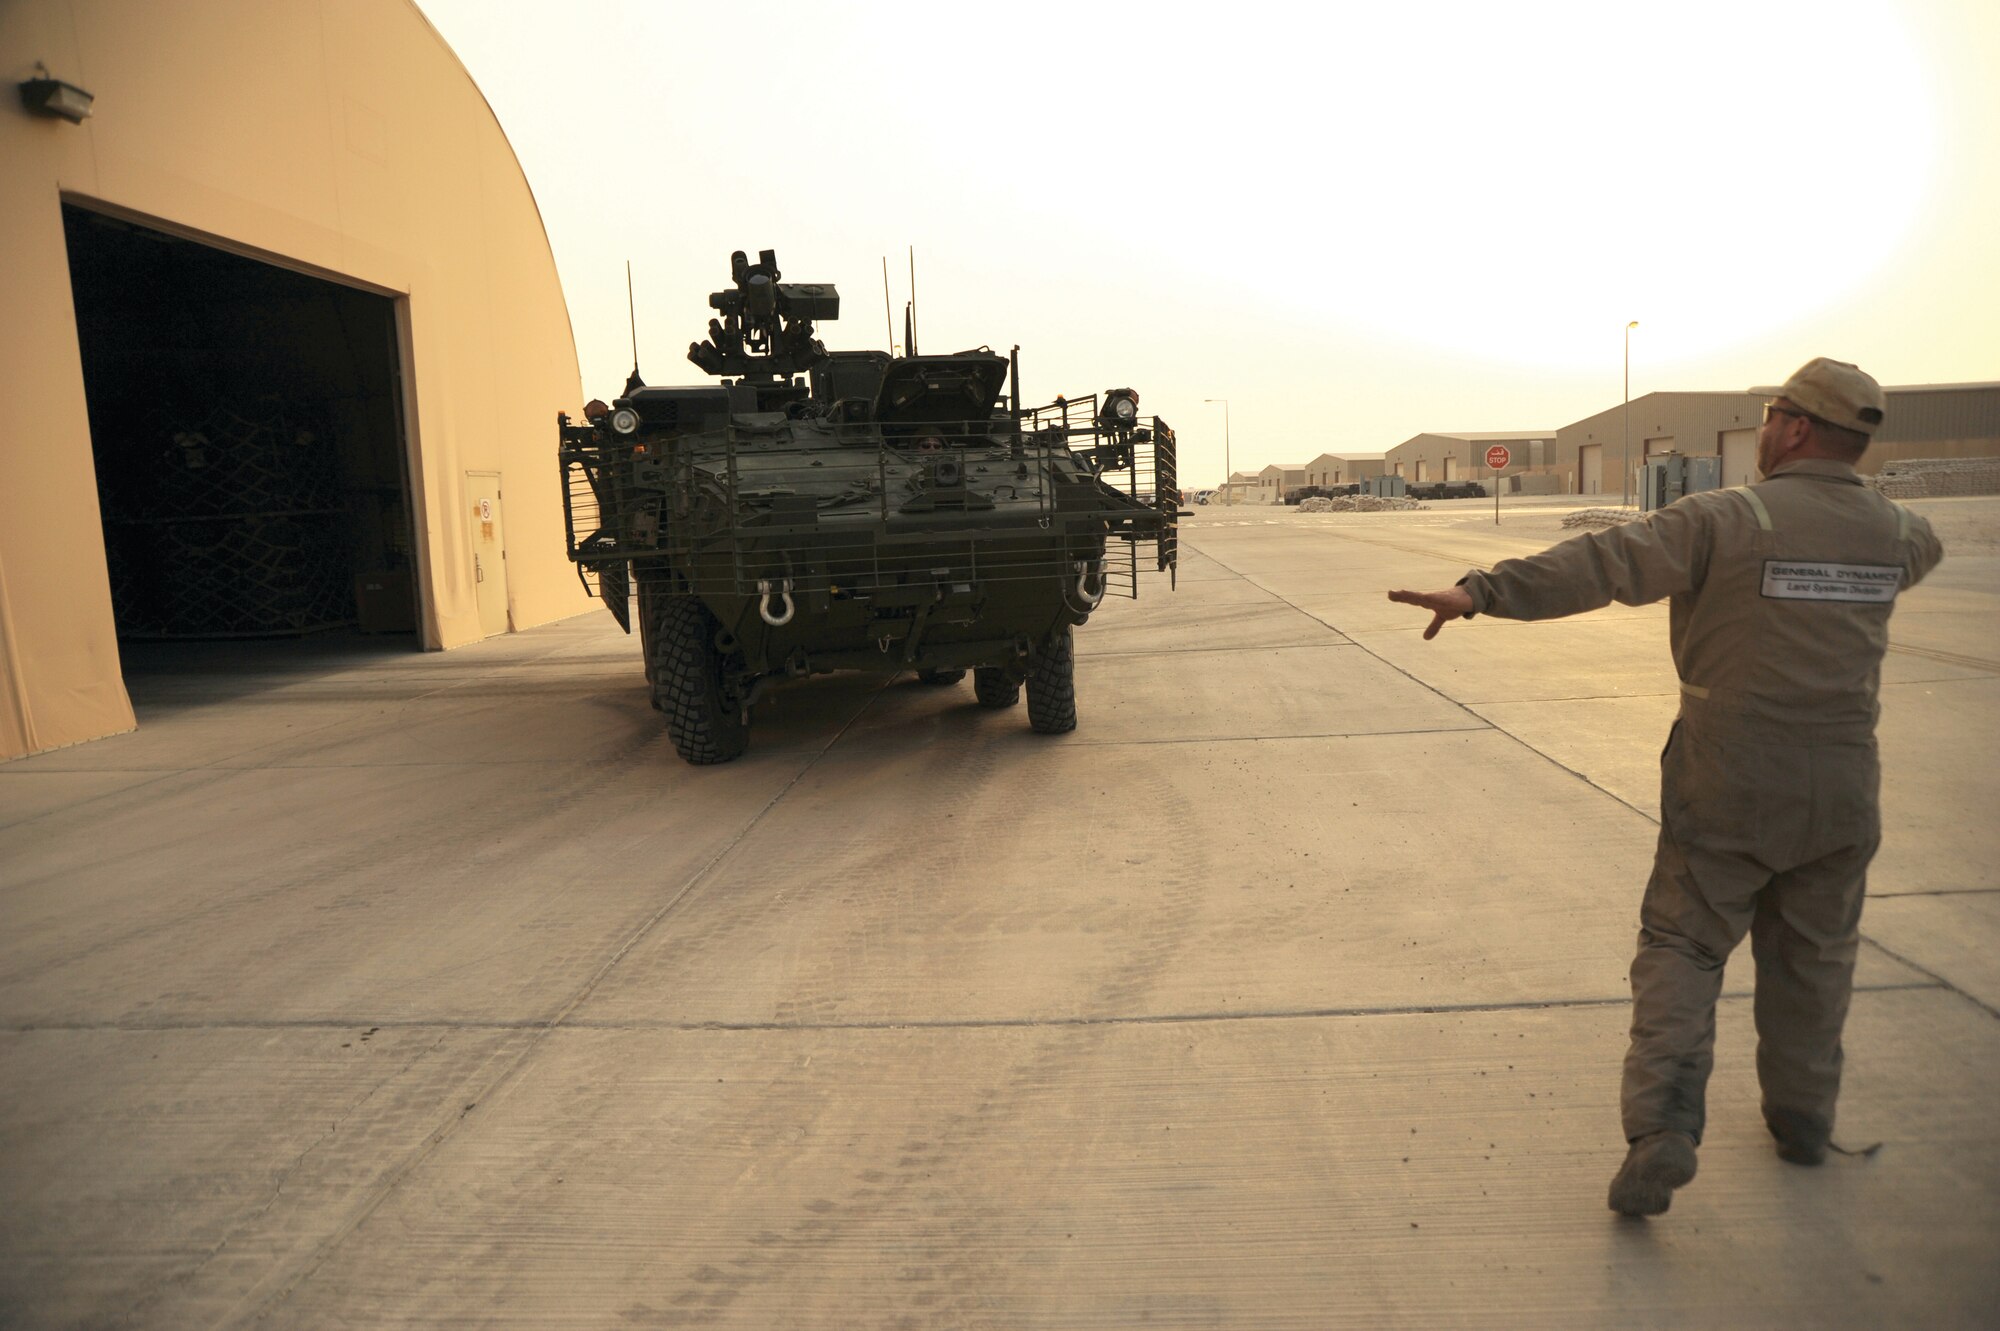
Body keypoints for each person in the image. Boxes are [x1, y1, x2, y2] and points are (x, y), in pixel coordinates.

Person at [1386, 358, 1943, 1218]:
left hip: (1730, 775)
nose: (1762, 427)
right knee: (1815, 955)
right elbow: (1918, 550)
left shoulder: (1730, 518)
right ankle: (1803, 1119)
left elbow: (1604, 563)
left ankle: (1663, 1132)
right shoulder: (1897, 531)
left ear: (1794, 427)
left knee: (1683, 947)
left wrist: (1482, 591)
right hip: (1843, 782)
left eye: (1768, 413)